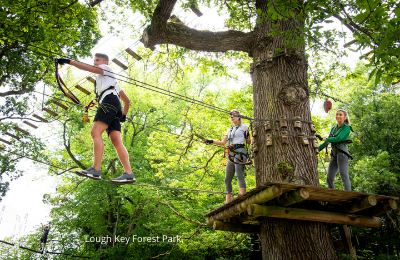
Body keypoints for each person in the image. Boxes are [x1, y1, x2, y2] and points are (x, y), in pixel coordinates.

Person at [57, 54, 135, 183]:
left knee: (95, 132)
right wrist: (123, 116)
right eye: (94, 61)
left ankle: (96, 170)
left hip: (108, 102)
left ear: (105, 62)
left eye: (97, 60)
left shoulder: (106, 69)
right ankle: (128, 173)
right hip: (116, 105)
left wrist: (69, 61)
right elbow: (126, 101)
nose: (95, 63)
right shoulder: (112, 82)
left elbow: (88, 68)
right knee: (116, 141)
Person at [205, 109, 251, 203]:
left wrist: (248, 136)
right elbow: (223, 142)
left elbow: (248, 142)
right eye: (230, 116)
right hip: (231, 153)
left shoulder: (244, 127)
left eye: (233, 115)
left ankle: (243, 198)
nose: (232, 117)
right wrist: (211, 141)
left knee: (239, 175)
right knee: (227, 179)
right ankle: (228, 202)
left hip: (240, 151)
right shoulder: (229, 129)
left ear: (239, 117)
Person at [317, 109, 352, 191]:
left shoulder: (347, 128)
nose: (338, 116)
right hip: (334, 153)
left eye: (340, 115)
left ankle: (348, 196)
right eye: (337, 114)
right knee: (329, 179)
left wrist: (324, 138)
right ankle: (332, 194)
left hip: (342, 152)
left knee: (344, 176)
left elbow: (338, 138)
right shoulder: (333, 128)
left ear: (345, 118)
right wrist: (317, 149)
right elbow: (328, 141)